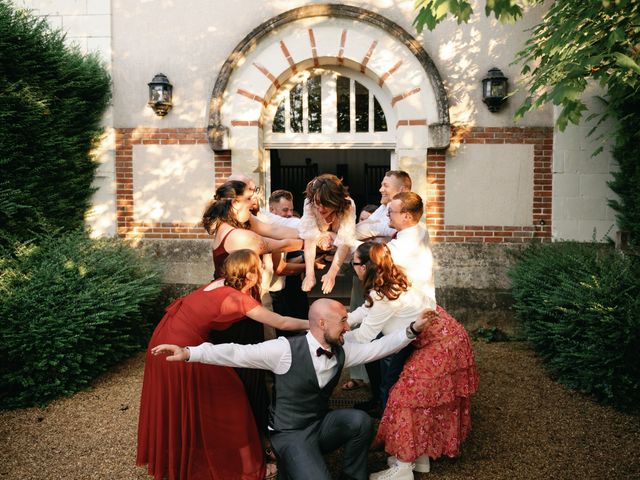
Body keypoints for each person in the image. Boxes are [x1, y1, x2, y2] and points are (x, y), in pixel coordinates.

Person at [152, 298, 438, 480]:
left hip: (319, 425)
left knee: (360, 421)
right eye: (343, 321)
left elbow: (378, 348)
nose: (347, 328)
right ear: (322, 323)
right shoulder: (284, 350)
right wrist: (190, 353)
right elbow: (237, 352)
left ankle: (353, 475)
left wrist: (412, 328)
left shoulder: (342, 350)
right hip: (289, 434)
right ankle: (292, 464)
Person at [137, 249, 309, 480]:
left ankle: (185, 460)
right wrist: (315, 323)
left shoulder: (219, 284)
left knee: (186, 401)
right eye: (259, 267)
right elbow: (282, 322)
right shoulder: (238, 298)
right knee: (231, 396)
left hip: (163, 339)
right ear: (249, 275)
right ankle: (236, 464)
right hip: (181, 347)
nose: (262, 270)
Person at [347, 242, 433, 410]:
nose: (353, 267)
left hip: (412, 338)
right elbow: (365, 309)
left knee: (390, 386)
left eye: (354, 263)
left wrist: (338, 336)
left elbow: (365, 335)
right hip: (405, 331)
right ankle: (378, 400)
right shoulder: (387, 276)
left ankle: (385, 413)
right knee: (375, 358)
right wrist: (344, 321)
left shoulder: (382, 294)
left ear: (364, 267)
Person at [299, 174, 357, 294]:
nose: (320, 209)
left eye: (326, 204)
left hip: (339, 243)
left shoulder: (348, 205)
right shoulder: (309, 203)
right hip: (318, 242)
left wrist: (332, 274)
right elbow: (309, 239)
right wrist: (310, 274)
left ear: (335, 201)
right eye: (317, 203)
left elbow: (345, 240)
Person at [267, 189, 310, 331]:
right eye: (285, 210)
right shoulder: (271, 232)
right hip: (271, 294)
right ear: (271, 210)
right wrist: (309, 263)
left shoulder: (286, 229)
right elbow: (280, 269)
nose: (290, 214)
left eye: (291, 209)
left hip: (282, 291)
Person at [386, 191, 436, 305]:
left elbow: (371, 253)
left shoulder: (401, 246)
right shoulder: (421, 229)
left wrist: (343, 237)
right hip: (425, 302)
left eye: (390, 211)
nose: (387, 215)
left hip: (409, 309)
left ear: (407, 216)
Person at [355, 171, 412, 241]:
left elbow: (361, 231)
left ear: (401, 190)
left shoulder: (405, 213)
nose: (380, 189)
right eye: (382, 185)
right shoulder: (384, 206)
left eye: (386, 185)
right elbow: (366, 224)